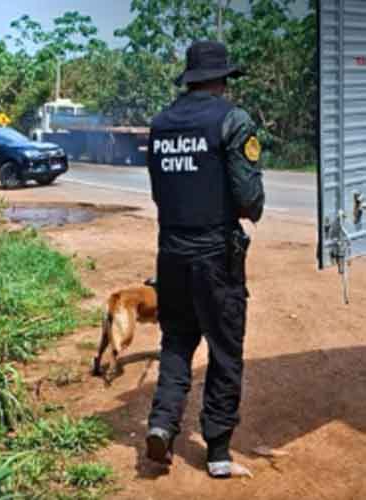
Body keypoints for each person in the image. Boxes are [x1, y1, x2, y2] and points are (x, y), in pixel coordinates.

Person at [144, 40, 265, 479]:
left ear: (191, 79)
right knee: (225, 350)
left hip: (171, 253)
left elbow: (160, 193)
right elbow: (250, 200)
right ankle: (217, 452)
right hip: (216, 257)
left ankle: (161, 424)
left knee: (177, 342)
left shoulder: (160, 125)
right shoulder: (233, 120)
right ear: (222, 80)